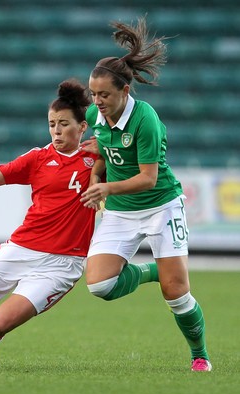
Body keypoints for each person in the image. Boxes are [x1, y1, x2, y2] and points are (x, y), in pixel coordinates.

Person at [0, 79, 157, 369]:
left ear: (82, 127)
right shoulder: (38, 158)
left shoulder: (98, 158)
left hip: (61, 265)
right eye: (52, 124)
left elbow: (135, 167)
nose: (56, 130)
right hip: (21, 248)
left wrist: (103, 159)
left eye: (64, 124)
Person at [80, 17, 212, 372]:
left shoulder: (146, 120)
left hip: (161, 206)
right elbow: (105, 152)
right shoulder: (95, 114)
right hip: (121, 210)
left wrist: (104, 187)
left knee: (177, 295)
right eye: (94, 94)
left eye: (104, 94)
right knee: (100, 285)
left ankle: (199, 355)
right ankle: (152, 271)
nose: (97, 101)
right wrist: (97, 167)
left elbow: (148, 179)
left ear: (125, 91)